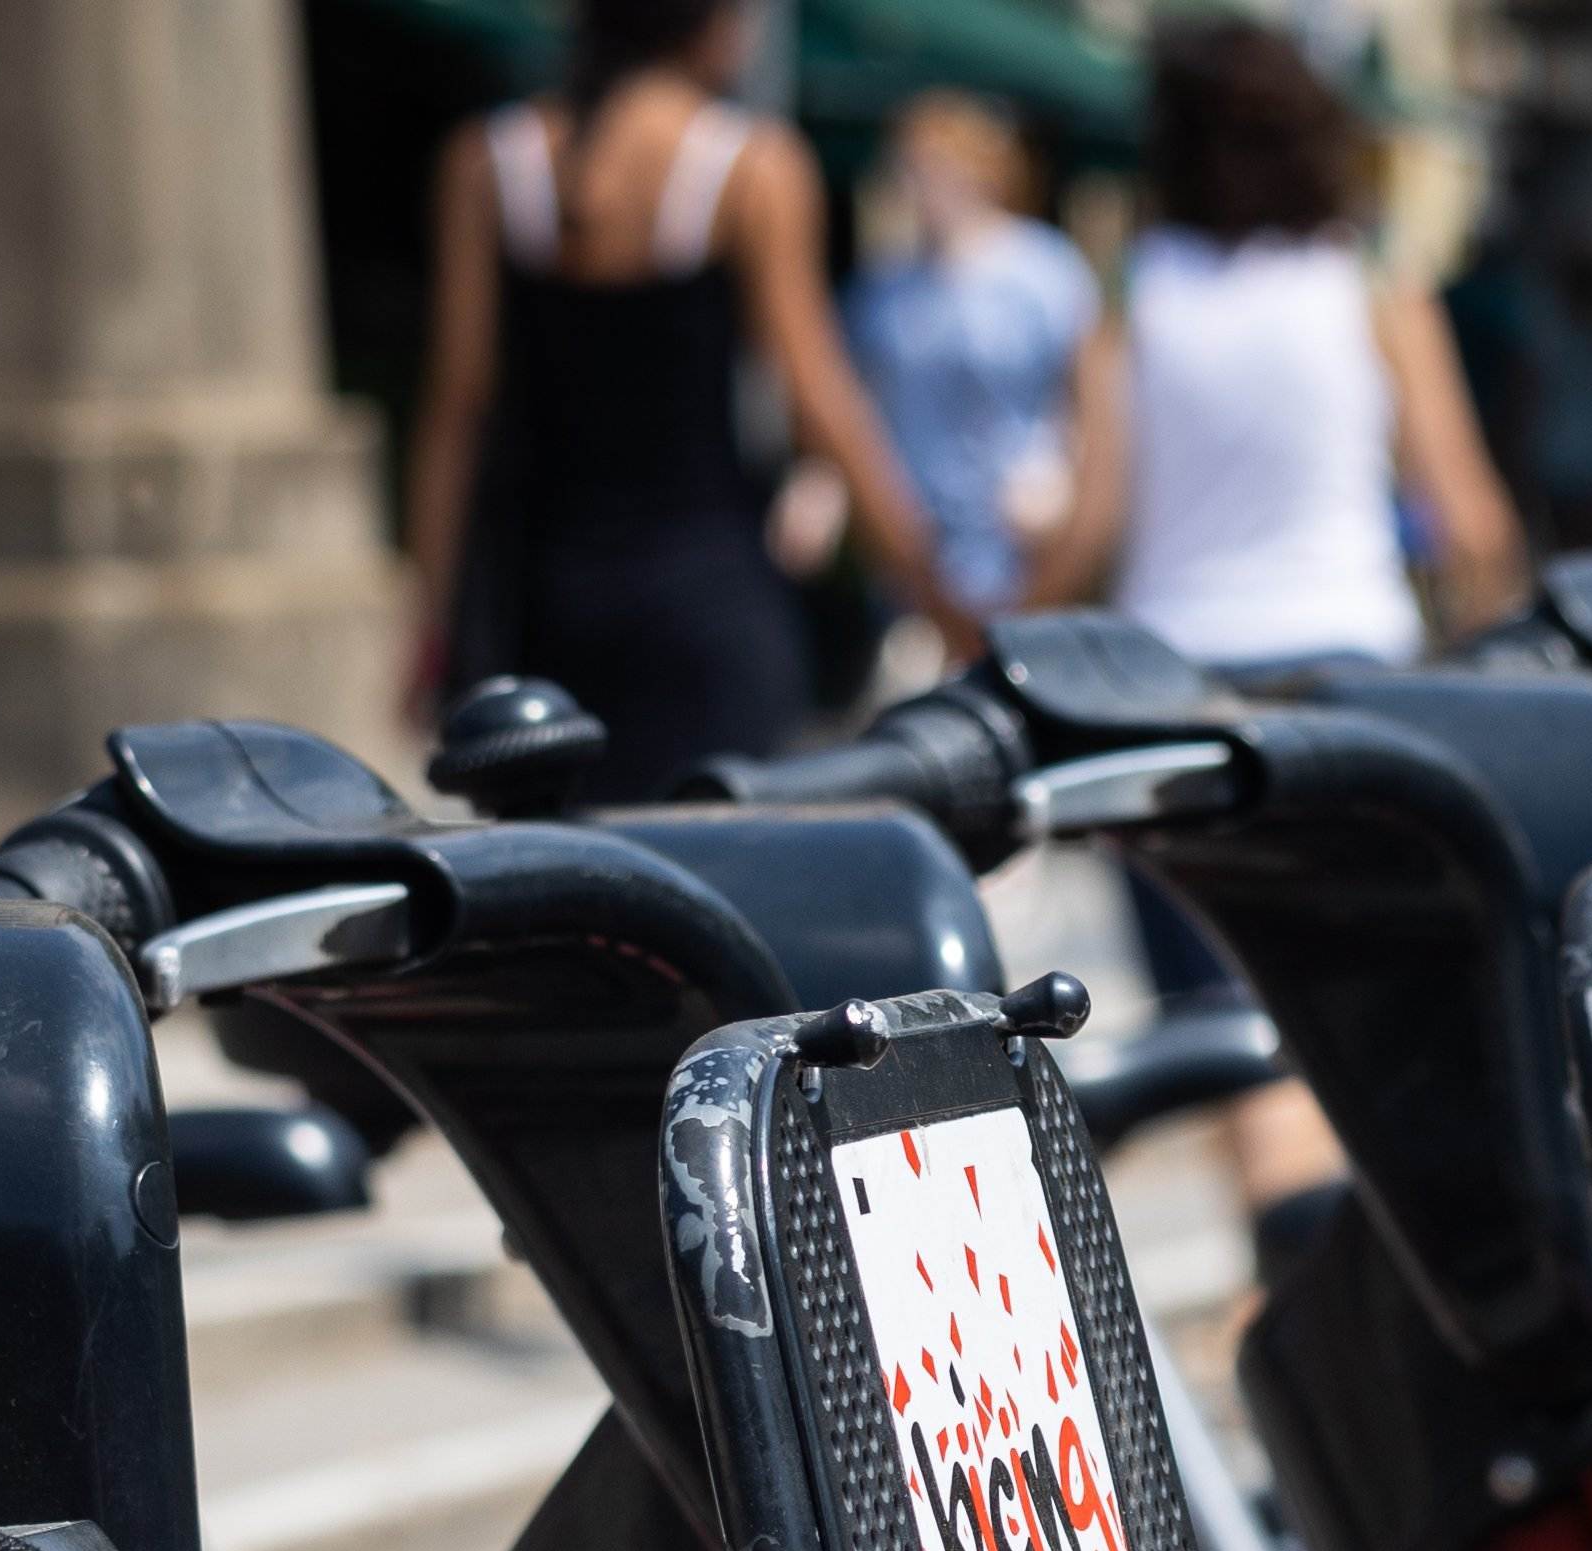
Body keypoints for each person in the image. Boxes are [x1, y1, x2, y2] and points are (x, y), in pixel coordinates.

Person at [1029, 16, 1526, 1206]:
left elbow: (1090, 522)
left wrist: (995, 634)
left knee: (1227, 1027)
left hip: (1175, 699)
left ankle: (1288, 1275)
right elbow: (1467, 518)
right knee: (1352, 1020)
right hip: (1352, 688)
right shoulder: (1367, 280)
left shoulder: (1135, 293)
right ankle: (1326, 1296)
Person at [404, 0, 967, 799]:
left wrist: (432, 625)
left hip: (545, 601)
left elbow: (457, 406)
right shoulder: (750, 167)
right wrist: (932, 587)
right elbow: (819, 402)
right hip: (708, 596)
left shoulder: (491, 162)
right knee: (722, 878)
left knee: (570, 894)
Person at [849, 94, 1104, 628]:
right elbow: (861, 410)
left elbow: (1093, 405)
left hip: (1022, 549)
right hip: (916, 556)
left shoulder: (1046, 271)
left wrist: (1064, 481)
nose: (920, 187)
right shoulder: (882, 292)